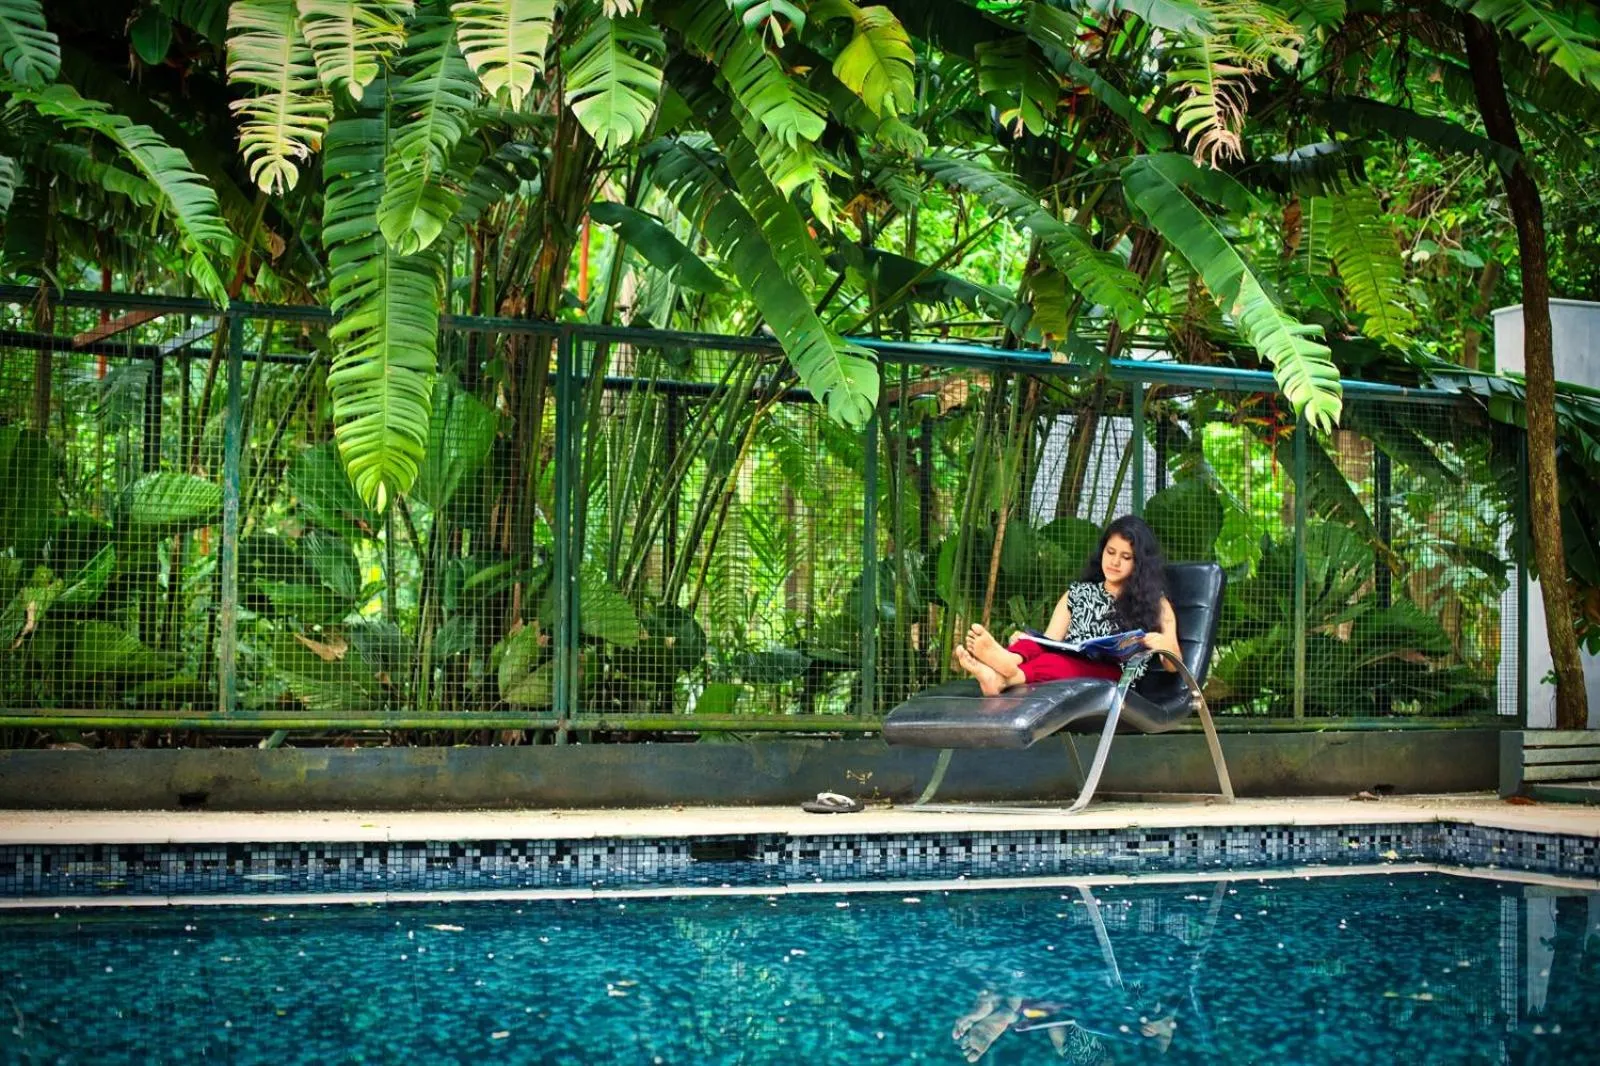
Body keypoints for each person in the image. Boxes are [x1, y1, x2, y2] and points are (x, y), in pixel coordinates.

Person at [953, 515, 1181, 697]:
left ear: (1139, 563)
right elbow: (1050, 641)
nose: (1114, 562)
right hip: (1071, 659)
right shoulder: (1077, 594)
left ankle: (1002, 672)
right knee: (1032, 643)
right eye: (1110, 552)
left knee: (1055, 661)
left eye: (1125, 557)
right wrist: (1028, 642)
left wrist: (1165, 645)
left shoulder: (1157, 603)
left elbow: (1174, 666)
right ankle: (1005, 666)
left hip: (1114, 676)